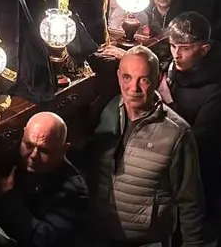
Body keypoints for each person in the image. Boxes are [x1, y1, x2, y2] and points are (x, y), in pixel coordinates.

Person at [86, 46, 205, 246]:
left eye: (144, 79)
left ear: (158, 79)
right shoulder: (105, 113)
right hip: (99, 236)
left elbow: (190, 201)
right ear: (118, 77)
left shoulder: (176, 133)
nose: (134, 88)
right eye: (127, 78)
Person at [161, 13, 221, 240]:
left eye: (184, 47)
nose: (177, 54)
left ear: (204, 49)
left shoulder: (220, 86)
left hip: (204, 175)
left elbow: (200, 140)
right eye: (173, 45)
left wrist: (169, 102)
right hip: (171, 172)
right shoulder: (173, 69)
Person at [0, 112, 88, 246]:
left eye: (44, 151)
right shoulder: (9, 158)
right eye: (29, 145)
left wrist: (8, 198)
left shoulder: (73, 190)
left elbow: (46, 240)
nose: (33, 156)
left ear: (64, 150)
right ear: (24, 134)